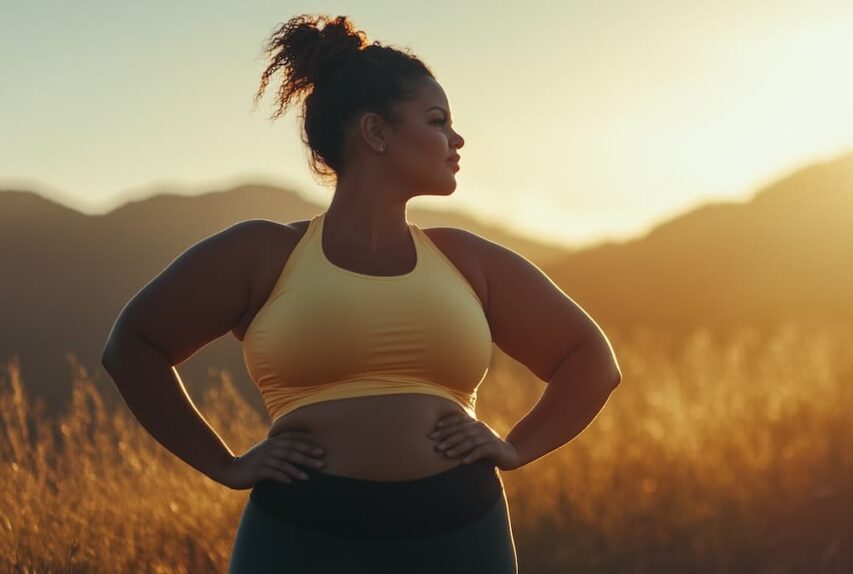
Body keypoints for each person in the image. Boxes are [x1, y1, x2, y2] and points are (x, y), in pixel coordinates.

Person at [100, 13, 622, 574]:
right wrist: (224, 464)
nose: (457, 138)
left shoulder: (465, 259)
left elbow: (591, 362)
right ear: (375, 133)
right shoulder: (262, 254)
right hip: (300, 535)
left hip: (460, 533)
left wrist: (517, 447)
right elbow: (133, 347)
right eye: (437, 120)